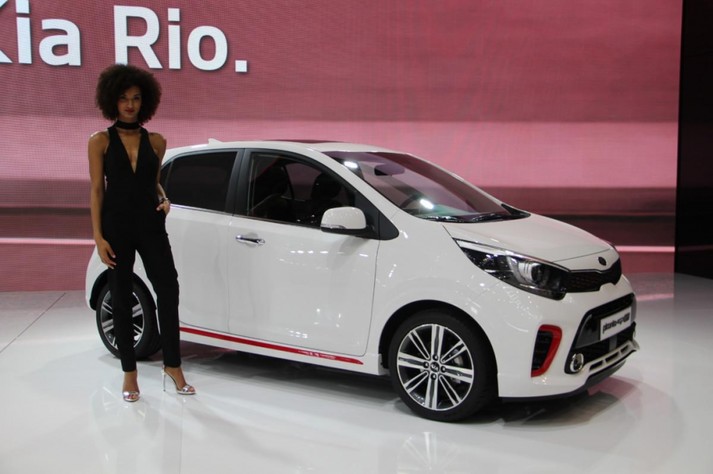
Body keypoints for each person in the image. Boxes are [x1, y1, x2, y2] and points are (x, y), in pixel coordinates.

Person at [88, 64, 195, 402]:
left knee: (168, 289)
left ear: (145, 101)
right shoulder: (100, 141)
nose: (130, 105)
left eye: (136, 98)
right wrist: (98, 238)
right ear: (112, 100)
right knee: (121, 297)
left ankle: (173, 365)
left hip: (151, 224)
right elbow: (96, 191)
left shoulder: (157, 141)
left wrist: (164, 198)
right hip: (116, 226)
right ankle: (130, 374)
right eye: (123, 98)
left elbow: (153, 183)